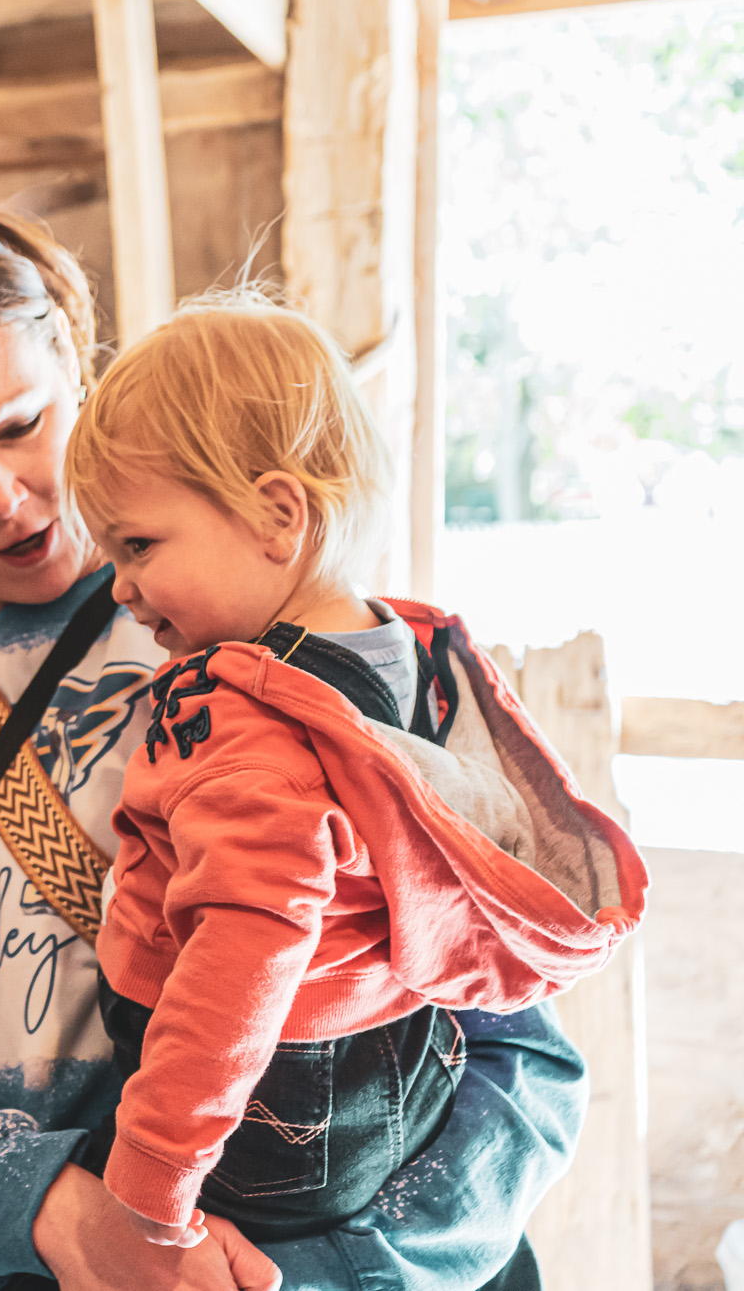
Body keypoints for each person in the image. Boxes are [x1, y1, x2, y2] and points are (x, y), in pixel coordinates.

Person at [0, 186, 585, 1291]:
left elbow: (512, 1051)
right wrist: (74, 1227)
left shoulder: (304, 650)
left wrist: (327, 1272)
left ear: (77, 374)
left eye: (19, 424)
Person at [59, 297, 646, 1250]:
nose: (119, 586)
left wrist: (146, 1187)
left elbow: (236, 964)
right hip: (406, 1058)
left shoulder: (253, 728)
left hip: (268, 1114)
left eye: (139, 546)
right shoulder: (411, 650)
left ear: (277, 515)